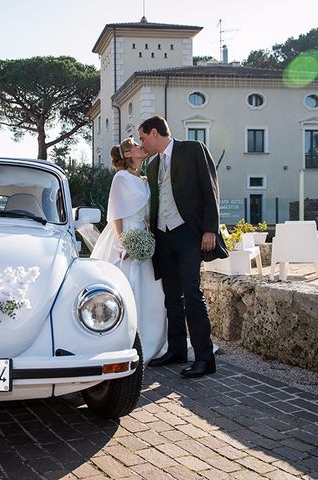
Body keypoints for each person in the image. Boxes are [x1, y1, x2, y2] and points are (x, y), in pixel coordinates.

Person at [138, 115, 220, 378]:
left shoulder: (192, 149)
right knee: (171, 296)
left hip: (188, 234)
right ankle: (176, 350)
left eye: (142, 138)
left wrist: (210, 229)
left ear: (154, 133)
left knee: (192, 293)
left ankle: (205, 358)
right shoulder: (152, 166)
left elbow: (210, 190)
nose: (142, 143)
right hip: (163, 236)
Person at [89, 138, 167, 365]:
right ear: (127, 153)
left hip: (144, 235)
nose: (141, 146)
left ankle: (154, 340)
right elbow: (115, 213)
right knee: (127, 288)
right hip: (126, 237)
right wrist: (124, 242)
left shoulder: (143, 179)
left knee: (153, 291)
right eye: (135, 144)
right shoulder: (120, 177)